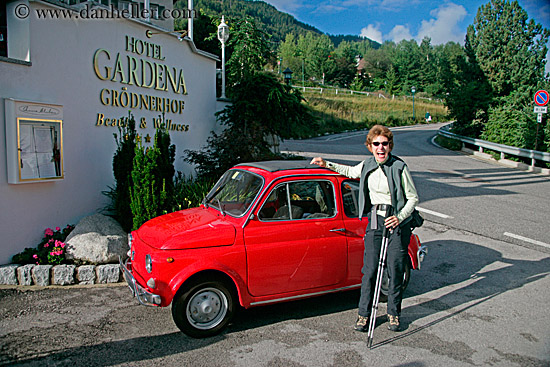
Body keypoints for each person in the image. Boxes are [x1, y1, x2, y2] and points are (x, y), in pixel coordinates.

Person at [310, 125, 419, 332]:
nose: (381, 148)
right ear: (370, 146)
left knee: (394, 270)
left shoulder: (399, 167)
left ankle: (394, 314)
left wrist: (399, 217)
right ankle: (364, 314)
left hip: (396, 222)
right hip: (376, 220)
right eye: (376, 144)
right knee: (369, 270)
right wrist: (326, 163)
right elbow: (350, 171)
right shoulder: (367, 164)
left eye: (384, 144)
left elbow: (413, 197)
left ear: (390, 146)